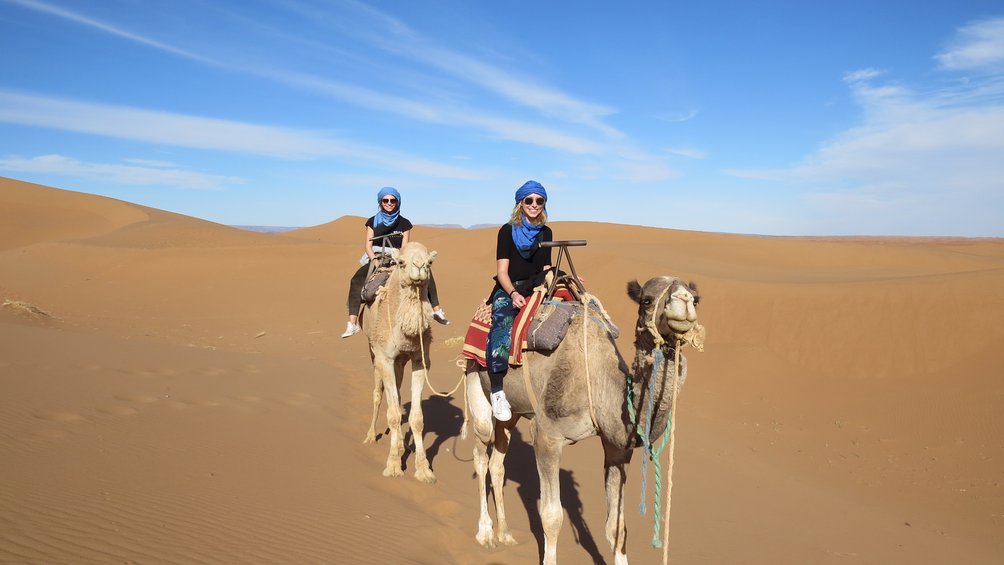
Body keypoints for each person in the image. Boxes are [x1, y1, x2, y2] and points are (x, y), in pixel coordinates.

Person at [341, 187, 449, 338]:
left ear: (398, 202)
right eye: (386, 200)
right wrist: (375, 261)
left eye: (393, 200)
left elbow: (405, 247)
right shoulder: (372, 222)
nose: (389, 203)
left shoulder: (404, 223)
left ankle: (436, 309)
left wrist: (398, 262)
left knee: (425, 271)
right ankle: (352, 323)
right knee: (357, 279)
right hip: (377, 256)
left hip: (398, 257)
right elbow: (367, 245)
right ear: (380, 202)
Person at [485, 180, 552, 421]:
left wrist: (560, 276)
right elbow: (502, 271)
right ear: (520, 203)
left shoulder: (546, 232)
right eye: (529, 200)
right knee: (502, 324)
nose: (534, 205)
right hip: (509, 287)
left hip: (536, 287)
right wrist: (512, 293)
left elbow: (545, 267)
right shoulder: (506, 231)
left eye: (539, 200)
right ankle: (497, 389)